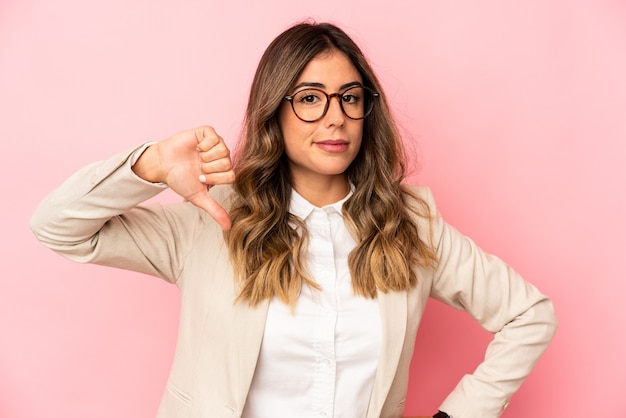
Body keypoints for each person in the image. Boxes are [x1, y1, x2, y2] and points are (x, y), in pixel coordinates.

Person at [30, 21, 557, 418]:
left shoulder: (413, 225)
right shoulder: (211, 221)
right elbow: (56, 225)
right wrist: (150, 164)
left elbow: (530, 314)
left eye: (351, 98)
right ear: (273, 113)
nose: (336, 116)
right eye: (310, 99)